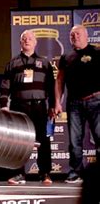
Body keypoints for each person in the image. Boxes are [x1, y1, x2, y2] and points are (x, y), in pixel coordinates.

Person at [0, 30, 55, 185]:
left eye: (30, 39)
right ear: (20, 42)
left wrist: (53, 106)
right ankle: (18, 174)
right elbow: (5, 87)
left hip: (39, 107)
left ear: (35, 42)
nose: (27, 41)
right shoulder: (12, 63)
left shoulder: (44, 63)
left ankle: (45, 173)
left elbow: (51, 88)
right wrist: (4, 106)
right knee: (18, 141)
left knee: (43, 140)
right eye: (24, 39)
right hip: (19, 107)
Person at [54, 25, 99, 184]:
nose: (75, 37)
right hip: (74, 104)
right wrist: (57, 102)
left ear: (86, 36)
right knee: (74, 141)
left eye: (78, 34)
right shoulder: (66, 57)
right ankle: (75, 172)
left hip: (96, 102)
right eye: (72, 35)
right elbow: (59, 80)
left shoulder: (97, 52)